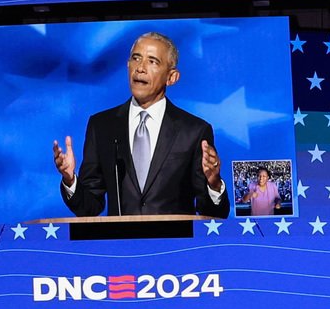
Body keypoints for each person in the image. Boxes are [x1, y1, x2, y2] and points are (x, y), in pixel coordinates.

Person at [53, 32, 230, 218]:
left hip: (175, 243)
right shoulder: (102, 126)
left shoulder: (194, 131)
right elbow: (90, 207)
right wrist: (70, 179)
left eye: (152, 61)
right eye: (136, 58)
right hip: (120, 244)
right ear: (128, 65)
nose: (140, 68)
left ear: (172, 77)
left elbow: (211, 214)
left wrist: (214, 184)